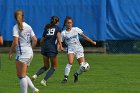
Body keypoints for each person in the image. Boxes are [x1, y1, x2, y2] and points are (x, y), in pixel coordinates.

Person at [8, 10, 39, 93]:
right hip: (29, 52)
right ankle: (33, 89)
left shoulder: (15, 27)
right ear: (23, 16)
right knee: (22, 74)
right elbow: (35, 40)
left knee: (21, 76)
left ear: (15, 17)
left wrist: (10, 52)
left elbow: (15, 42)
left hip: (22, 53)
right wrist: (30, 49)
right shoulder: (28, 26)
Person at [61, 16, 96, 83]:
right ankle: (65, 78)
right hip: (70, 49)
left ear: (72, 23)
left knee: (83, 66)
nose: (69, 24)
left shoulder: (76, 29)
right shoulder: (63, 33)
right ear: (65, 24)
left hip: (79, 49)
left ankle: (76, 74)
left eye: (70, 23)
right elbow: (60, 42)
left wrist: (92, 41)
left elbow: (84, 36)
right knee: (70, 62)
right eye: (68, 23)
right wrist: (60, 47)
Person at [32, 16, 64, 86]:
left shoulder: (47, 28)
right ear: (57, 22)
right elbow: (58, 38)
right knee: (54, 67)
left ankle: (35, 75)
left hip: (44, 48)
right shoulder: (58, 28)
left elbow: (41, 40)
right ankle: (44, 80)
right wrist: (61, 46)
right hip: (52, 48)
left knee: (46, 66)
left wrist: (43, 46)